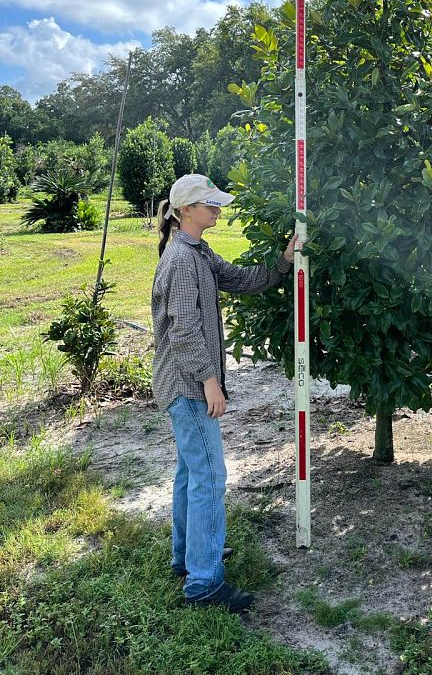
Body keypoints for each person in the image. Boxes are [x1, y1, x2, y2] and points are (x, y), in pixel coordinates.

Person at [151, 173, 297, 613]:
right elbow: (183, 329)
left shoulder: (196, 251)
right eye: (210, 204)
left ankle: (187, 557)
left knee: (189, 474)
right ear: (188, 210)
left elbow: (238, 278)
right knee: (211, 478)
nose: (218, 209)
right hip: (189, 387)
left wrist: (283, 263)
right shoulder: (180, 260)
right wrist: (209, 381)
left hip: (186, 384)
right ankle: (204, 583)